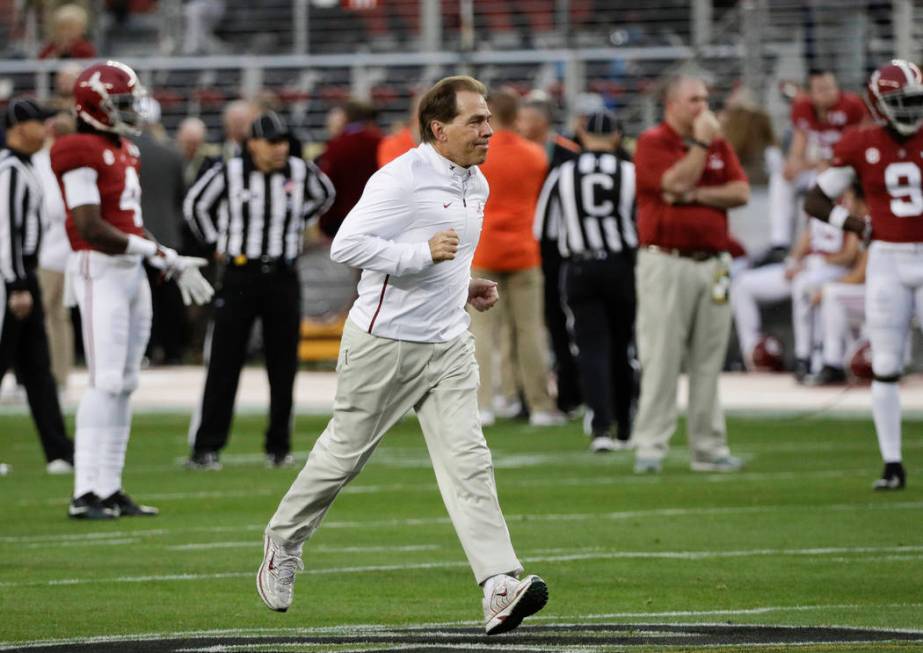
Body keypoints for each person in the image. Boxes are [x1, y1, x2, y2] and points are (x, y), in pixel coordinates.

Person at [256, 75, 548, 635]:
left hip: (448, 344)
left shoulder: (476, 182)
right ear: (439, 129)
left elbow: (445, 258)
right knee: (343, 456)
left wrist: (464, 284)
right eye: (476, 121)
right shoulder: (399, 178)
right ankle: (282, 541)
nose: (489, 129)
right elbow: (346, 245)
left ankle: (499, 585)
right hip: (384, 344)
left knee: (470, 462)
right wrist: (419, 254)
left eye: (489, 118)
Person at [52, 61, 214, 519]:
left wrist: (165, 256)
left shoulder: (125, 148)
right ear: (94, 105)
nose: (130, 111)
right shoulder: (76, 148)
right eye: (120, 103)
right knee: (104, 382)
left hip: (129, 270)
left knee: (124, 383)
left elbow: (129, 223)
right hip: (98, 267)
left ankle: (110, 485)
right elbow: (90, 225)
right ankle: (85, 491)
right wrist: (159, 255)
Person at [183, 111, 335, 470]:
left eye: (283, 142)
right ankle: (207, 447)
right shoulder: (228, 172)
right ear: (252, 143)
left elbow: (324, 196)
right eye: (272, 142)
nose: (280, 149)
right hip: (240, 275)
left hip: (282, 275)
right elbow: (195, 206)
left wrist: (296, 219)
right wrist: (215, 242)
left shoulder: (300, 172)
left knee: (282, 365)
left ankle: (278, 447)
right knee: (224, 362)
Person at [803, 59, 923, 491]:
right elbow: (815, 201)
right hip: (888, 258)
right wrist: (857, 226)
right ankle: (892, 464)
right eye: (901, 102)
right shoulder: (859, 143)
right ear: (879, 105)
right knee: (886, 363)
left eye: (915, 101)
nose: (911, 110)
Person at [631, 74, 750, 474]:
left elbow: (740, 192)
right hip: (667, 261)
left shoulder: (719, 143)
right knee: (661, 357)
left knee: (708, 360)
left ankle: (709, 447)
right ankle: (650, 446)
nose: (704, 106)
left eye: (706, 98)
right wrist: (699, 146)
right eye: (694, 99)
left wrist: (695, 195)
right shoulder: (652, 142)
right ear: (673, 104)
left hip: (712, 262)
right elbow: (671, 183)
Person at [534, 110, 637, 452]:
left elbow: (544, 231)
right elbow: (642, 224)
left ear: (582, 136)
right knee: (622, 345)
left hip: (579, 267)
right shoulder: (629, 172)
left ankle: (602, 427)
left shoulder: (563, 173)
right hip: (622, 266)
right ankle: (625, 425)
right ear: (617, 137)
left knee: (592, 347)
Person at [470, 88, 564, 427]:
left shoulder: (480, 153)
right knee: (530, 332)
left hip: (485, 247)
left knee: (481, 331)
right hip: (525, 250)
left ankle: (482, 404)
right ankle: (539, 404)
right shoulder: (534, 155)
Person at [0, 98, 74, 474]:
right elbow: (5, 234)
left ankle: (59, 451)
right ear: (17, 126)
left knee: (38, 368)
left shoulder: (26, 167)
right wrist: (16, 285)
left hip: (24, 272)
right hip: (10, 277)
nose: (44, 129)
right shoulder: (9, 170)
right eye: (37, 122)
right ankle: (59, 449)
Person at [731, 215, 860, 379]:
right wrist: (793, 261)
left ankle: (803, 356)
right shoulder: (817, 199)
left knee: (803, 286)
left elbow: (850, 254)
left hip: (832, 269)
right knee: (742, 284)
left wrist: (815, 262)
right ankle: (751, 352)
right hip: (809, 267)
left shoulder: (852, 204)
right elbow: (808, 234)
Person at [519, 95, 583, 416]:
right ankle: (525, 396)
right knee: (526, 326)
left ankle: (571, 393)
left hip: (558, 251)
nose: (519, 124)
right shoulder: (512, 153)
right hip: (522, 250)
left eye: (526, 119)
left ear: (541, 122)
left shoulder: (568, 155)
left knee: (561, 323)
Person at [766, 70, 866, 258]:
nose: (827, 93)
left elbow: (860, 146)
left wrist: (826, 163)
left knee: (819, 185)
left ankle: (814, 245)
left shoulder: (852, 105)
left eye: (830, 88)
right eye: (821, 89)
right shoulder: (803, 108)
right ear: (810, 93)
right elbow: (798, 146)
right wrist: (793, 164)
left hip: (845, 170)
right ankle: (780, 242)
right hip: (817, 166)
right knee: (781, 178)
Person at [134, 102, 188, 365]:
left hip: (136, 235)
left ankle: (144, 350)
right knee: (168, 298)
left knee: (140, 297)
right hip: (168, 234)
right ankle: (173, 352)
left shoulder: (126, 152)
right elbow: (181, 197)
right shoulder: (172, 154)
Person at [34, 112, 76, 391]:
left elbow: (51, 205)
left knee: (45, 317)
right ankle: (60, 376)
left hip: (49, 249)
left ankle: (48, 376)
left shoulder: (43, 160)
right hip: (70, 248)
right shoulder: (77, 158)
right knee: (60, 318)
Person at [316, 100, 382, 238]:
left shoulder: (337, 146)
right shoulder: (381, 142)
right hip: (377, 217)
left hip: (342, 220)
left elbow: (327, 185)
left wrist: (324, 224)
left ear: (345, 118)